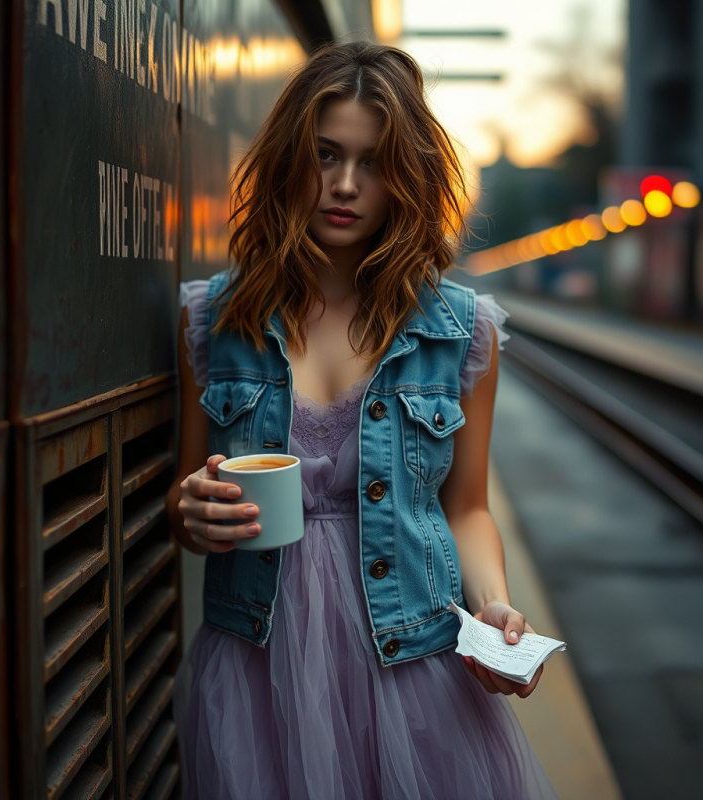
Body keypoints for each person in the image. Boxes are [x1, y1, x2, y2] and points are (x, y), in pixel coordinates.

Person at [167, 41, 558, 800]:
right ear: (289, 159)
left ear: (404, 177)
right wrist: (191, 512)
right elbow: (185, 502)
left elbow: (468, 507)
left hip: (414, 660)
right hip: (258, 663)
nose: (345, 185)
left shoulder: (462, 331)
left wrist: (495, 604)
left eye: (373, 162)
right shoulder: (212, 319)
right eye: (325, 155)